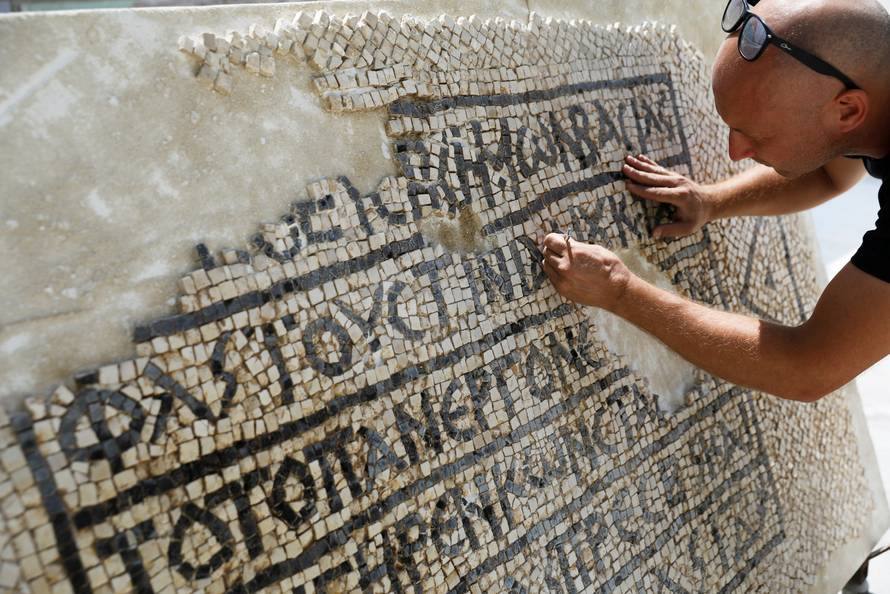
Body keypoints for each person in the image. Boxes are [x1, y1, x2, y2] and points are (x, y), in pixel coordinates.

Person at [541, 0, 890, 402]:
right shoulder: (869, 91)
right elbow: (832, 170)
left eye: (757, 136)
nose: (735, 152)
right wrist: (712, 202)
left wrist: (620, 290)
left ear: (847, 110)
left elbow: (808, 365)